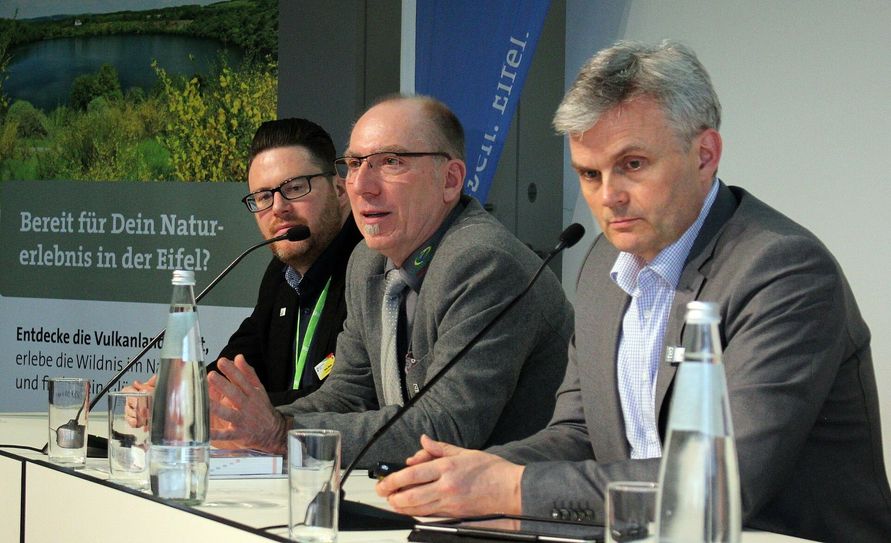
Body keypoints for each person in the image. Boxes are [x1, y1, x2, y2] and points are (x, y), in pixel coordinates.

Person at [375, 41, 891, 542]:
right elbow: (580, 435)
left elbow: (717, 486)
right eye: (589, 174)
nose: (609, 197)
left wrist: (510, 487)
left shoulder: (782, 270)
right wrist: (474, 470)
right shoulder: (604, 263)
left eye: (633, 165)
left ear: (705, 154)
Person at [206, 95, 575, 466]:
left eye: (391, 162)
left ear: (450, 180)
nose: (362, 185)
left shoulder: (484, 263)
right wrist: (247, 423)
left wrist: (282, 435)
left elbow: (445, 427)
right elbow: (348, 396)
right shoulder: (367, 262)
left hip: (514, 508)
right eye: (353, 164)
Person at [130, 118, 362, 405]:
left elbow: (348, 399)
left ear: (340, 191)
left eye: (295, 188)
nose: (278, 208)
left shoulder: (368, 272)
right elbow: (241, 360)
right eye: (263, 196)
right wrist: (181, 396)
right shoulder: (280, 275)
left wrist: (234, 413)